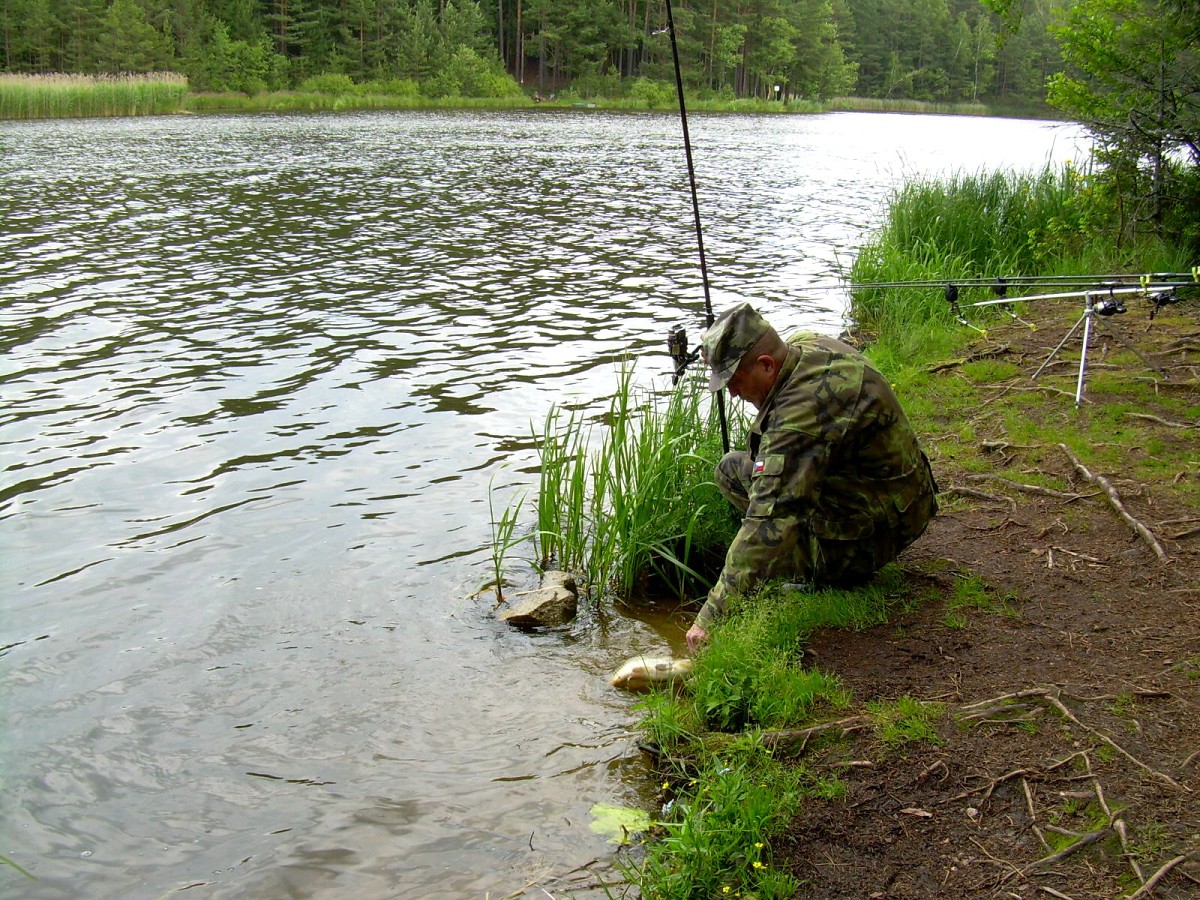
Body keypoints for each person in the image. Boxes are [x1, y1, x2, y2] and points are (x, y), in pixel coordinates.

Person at [685, 302, 938, 653]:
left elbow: (769, 518)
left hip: (884, 528)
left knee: (773, 521)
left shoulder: (800, 414)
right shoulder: (808, 344)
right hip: (902, 494)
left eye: (735, 380)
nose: (732, 393)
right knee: (732, 469)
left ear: (766, 365)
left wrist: (710, 617)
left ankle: (821, 570)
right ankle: (792, 557)